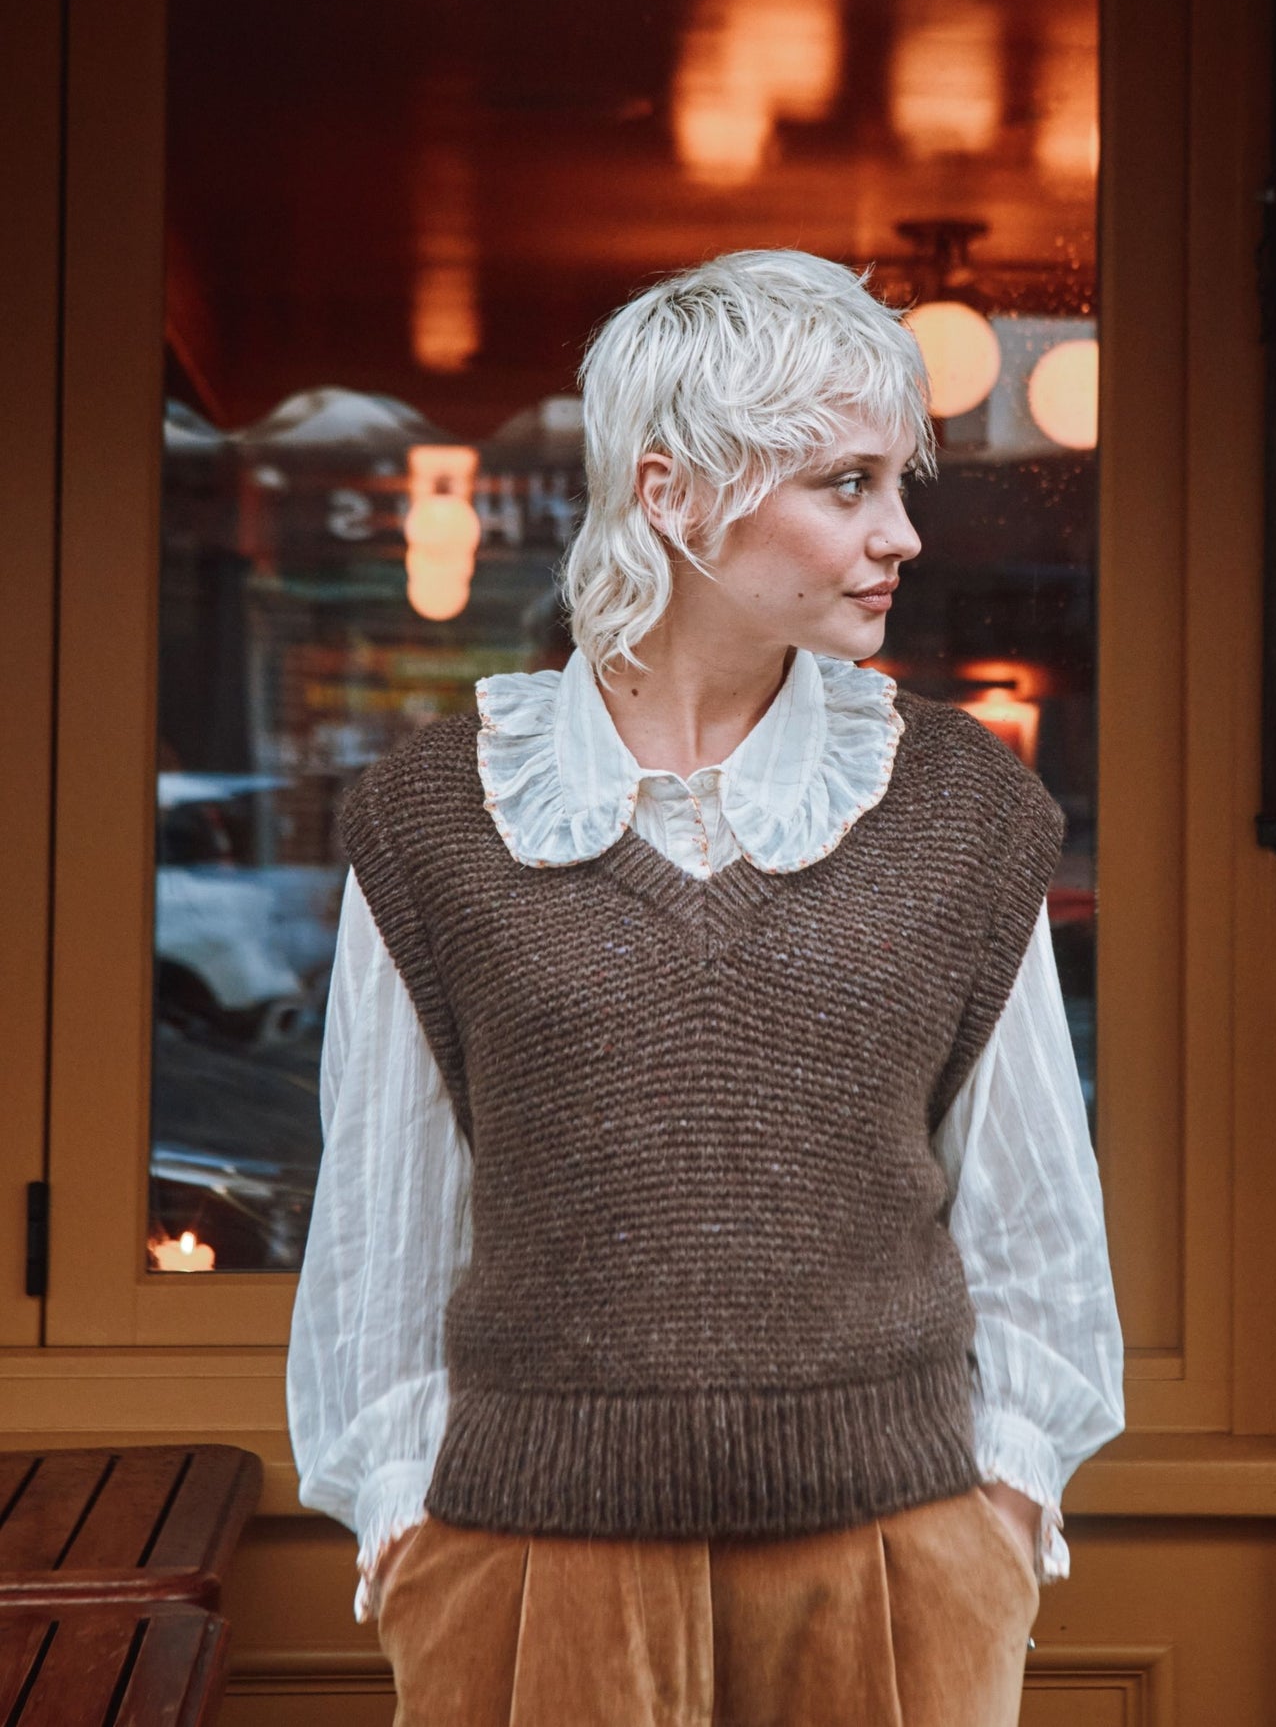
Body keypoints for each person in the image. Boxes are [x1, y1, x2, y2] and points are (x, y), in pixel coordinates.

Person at [286, 247, 1125, 1727]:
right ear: (672, 494)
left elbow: (1032, 1216)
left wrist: (994, 1515)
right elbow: (383, 1219)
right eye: (847, 484)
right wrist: (410, 1521)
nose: (901, 533)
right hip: (529, 1564)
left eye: (898, 482)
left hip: (893, 1567)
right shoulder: (441, 816)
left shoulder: (959, 813)